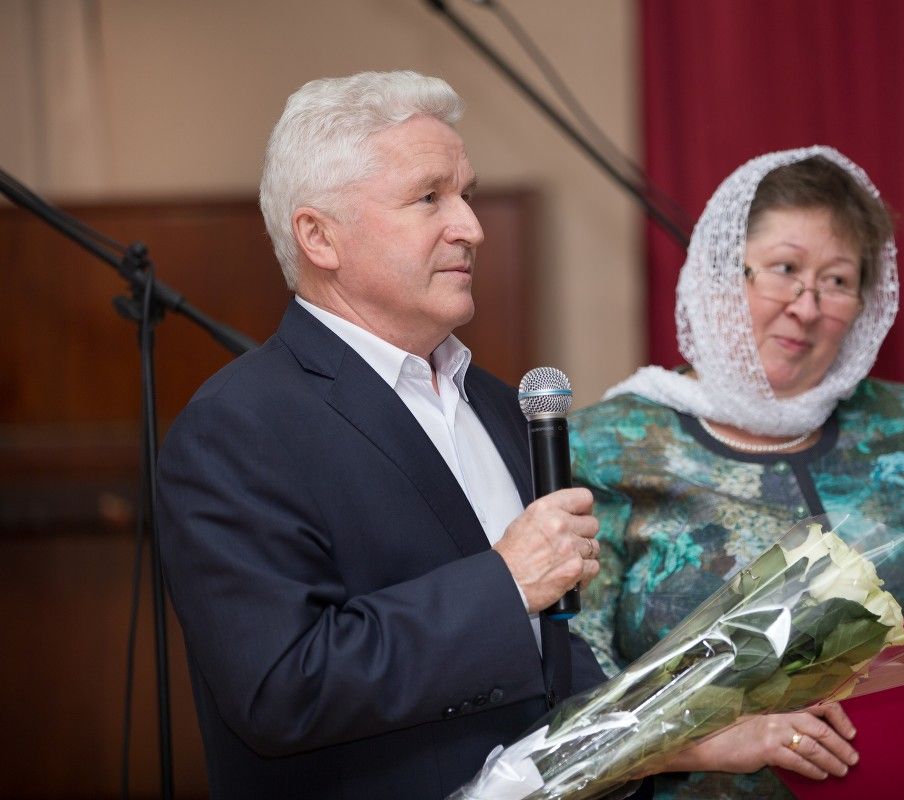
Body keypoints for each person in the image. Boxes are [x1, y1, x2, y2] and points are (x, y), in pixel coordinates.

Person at [156, 70, 614, 800]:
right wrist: (504, 585)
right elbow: (283, 687)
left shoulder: (502, 404)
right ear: (319, 237)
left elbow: (549, 660)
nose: (471, 227)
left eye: (466, 194)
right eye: (430, 197)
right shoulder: (235, 428)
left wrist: (673, 733)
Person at [570, 147, 904, 800]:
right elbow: (572, 705)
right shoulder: (610, 445)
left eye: (838, 280)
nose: (806, 305)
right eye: (784, 269)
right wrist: (708, 742)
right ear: (719, 275)